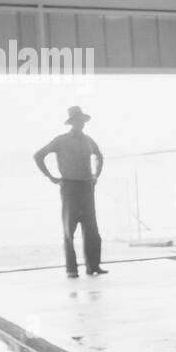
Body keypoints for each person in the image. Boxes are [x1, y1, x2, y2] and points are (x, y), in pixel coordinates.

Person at [34, 106, 107, 279]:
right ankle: (71, 269)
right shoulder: (61, 140)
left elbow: (99, 156)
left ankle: (93, 266)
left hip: (87, 187)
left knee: (92, 229)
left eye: (82, 120)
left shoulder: (89, 140)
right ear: (71, 122)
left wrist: (96, 175)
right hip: (69, 187)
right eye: (77, 120)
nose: (80, 123)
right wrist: (51, 177)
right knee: (69, 229)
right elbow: (38, 155)